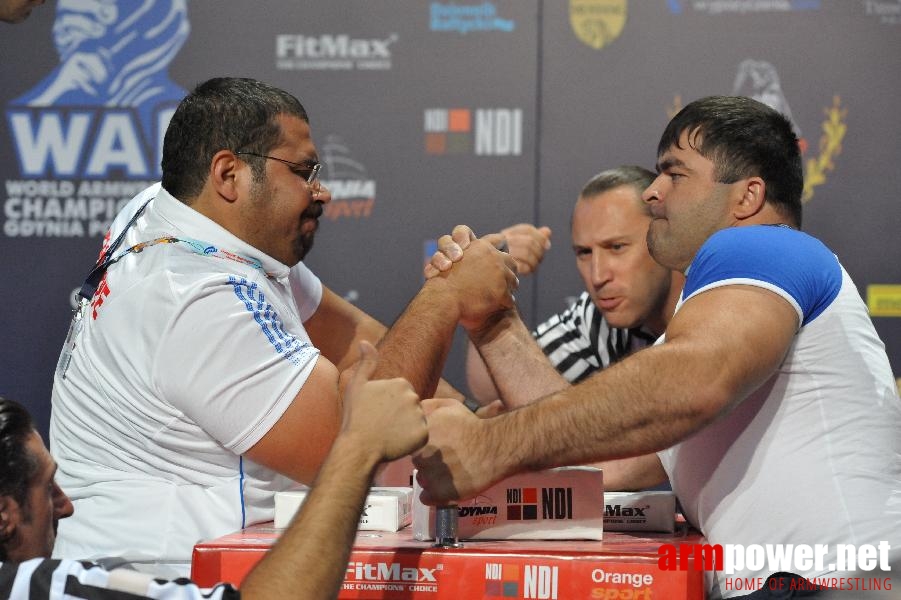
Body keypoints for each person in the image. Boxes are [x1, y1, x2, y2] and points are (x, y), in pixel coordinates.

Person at [414, 96, 901, 598]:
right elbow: (599, 459)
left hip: (837, 585)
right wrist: (493, 319)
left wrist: (493, 444)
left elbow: (693, 382)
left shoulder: (765, 245)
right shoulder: (716, 325)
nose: (652, 191)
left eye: (675, 173)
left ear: (747, 197)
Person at [49, 77, 517, 575]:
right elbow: (354, 438)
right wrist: (446, 296)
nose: (323, 190)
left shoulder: (176, 215)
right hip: (156, 576)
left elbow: (347, 336)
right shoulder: (192, 300)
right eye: (303, 171)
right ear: (228, 175)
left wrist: (461, 413)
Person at [1, 341, 429, 599]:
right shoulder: (49, 588)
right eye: (47, 487)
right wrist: (356, 449)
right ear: (5, 514)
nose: (67, 505)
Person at [465, 166, 683, 406]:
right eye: (584, 252)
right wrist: (492, 286)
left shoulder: (715, 301)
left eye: (616, 247)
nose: (598, 275)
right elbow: (493, 392)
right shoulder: (596, 318)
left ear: (665, 236)